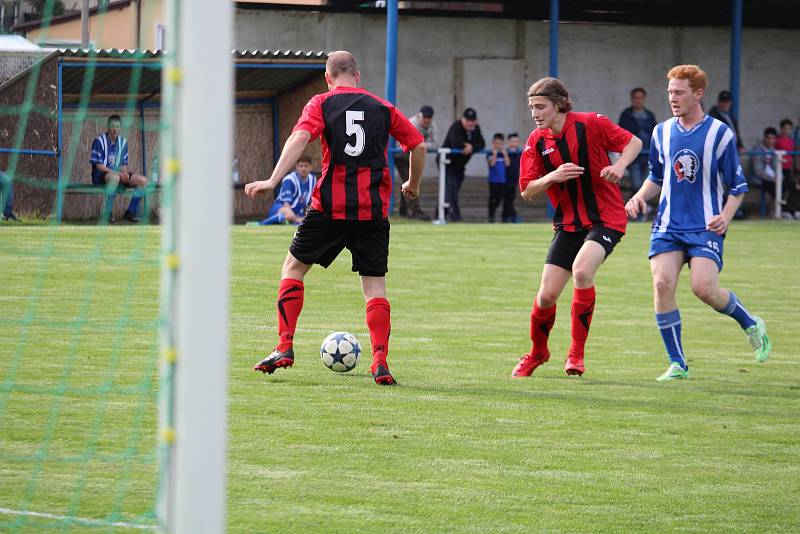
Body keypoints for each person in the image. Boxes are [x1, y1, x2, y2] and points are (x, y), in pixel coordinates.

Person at [244, 51, 426, 386]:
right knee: (374, 287)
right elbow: (418, 145)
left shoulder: (321, 103)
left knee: (294, 269)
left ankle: (284, 346)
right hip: (372, 211)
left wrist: (272, 180)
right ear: (357, 75)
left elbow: (300, 138)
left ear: (328, 78)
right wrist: (411, 185)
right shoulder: (382, 107)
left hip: (328, 208)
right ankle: (380, 362)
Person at [625, 64, 771, 382]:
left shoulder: (720, 133)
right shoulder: (661, 131)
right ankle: (678, 363)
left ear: (698, 93)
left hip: (705, 225)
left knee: (704, 289)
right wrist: (638, 197)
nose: (673, 98)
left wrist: (726, 216)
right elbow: (657, 177)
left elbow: (737, 186)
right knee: (662, 285)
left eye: (679, 92)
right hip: (667, 224)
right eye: (670, 93)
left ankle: (750, 322)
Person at [512, 77, 642, 378]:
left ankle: (576, 354)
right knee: (546, 296)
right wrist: (552, 177)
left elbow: (633, 142)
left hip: (605, 218)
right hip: (569, 223)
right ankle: (538, 352)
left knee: (583, 271)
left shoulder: (591, 123)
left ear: (559, 104)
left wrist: (620, 166)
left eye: (540, 106)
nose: (534, 113)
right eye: (531, 107)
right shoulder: (537, 141)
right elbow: (527, 191)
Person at [89, 114, 149, 223]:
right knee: (115, 178)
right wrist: (117, 174)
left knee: (143, 181)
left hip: (118, 174)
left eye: (117, 127)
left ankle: (129, 212)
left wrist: (125, 173)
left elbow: (123, 165)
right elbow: (99, 166)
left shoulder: (123, 142)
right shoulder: (99, 141)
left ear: (120, 128)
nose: (114, 130)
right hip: (100, 176)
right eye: (112, 126)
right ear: (108, 127)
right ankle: (107, 213)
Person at [441, 108, 485, 221]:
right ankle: (456, 218)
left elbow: (481, 143)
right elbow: (455, 143)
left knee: (449, 190)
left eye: (473, 120)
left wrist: (472, 147)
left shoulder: (476, 129)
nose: (470, 123)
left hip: (460, 165)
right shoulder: (455, 126)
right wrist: (469, 146)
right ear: (462, 119)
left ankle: (439, 214)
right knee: (451, 189)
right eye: (468, 120)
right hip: (446, 163)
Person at [394, 105, 436, 220]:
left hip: (415, 155)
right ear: (419, 116)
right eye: (425, 117)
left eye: (429, 117)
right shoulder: (412, 123)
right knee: (412, 182)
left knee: (407, 182)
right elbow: (407, 144)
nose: (427, 120)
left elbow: (433, 143)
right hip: (402, 156)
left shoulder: (432, 126)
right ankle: (415, 211)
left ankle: (402, 210)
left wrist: (420, 146)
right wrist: (421, 145)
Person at [618, 88, 657, 204]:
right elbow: (621, 134)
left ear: (644, 99)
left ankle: (642, 209)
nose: (638, 101)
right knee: (636, 183)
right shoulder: (626, 115)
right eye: (636, 98)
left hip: (648, 155)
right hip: (634, 155)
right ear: (632, 99)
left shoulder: (650, 115)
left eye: (640, 98)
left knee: (647, 183)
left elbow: (654, 134)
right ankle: (636, 207)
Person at [255, 155, 317, 225]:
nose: (303, 168)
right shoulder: (289, 179)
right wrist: (296, 218)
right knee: (290, 215)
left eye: (306, 166)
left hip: (297, 212)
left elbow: (310, 202)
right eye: (301, 166)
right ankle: (260, 224)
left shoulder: (313, 180)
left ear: (311, 167)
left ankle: (291, 222)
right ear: (296, 167)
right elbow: (286, 205)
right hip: (279, 208)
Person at [749, 127, 782, 203]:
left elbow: (776, 167)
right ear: (764, 138)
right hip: (760, 179)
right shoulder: (757, 150)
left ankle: (789, 208)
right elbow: (758, 171)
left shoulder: (773, 150)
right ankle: (784, 208)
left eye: (773, 138)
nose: (771, 141)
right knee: (775, 187)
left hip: (773, 178)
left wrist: (780, 177)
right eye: (769, 138)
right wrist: (774, 179)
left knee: (789, 184)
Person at [486, 133, 509, 222]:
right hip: (493, 180)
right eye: (496, 143)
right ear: (493, 143)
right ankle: (490, 216)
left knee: (499, 199)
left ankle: (494, 214)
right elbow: (492, 163)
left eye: (500, 144)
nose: (498, 145)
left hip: (502, 180)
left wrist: (505, 154)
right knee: (493, 198)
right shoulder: (490, 153)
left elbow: (508, 164)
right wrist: (495, 154)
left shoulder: (504, 153)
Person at [503, 133, 521, 222]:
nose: (514, 143)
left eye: (516, 141)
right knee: (507, 198)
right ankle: (510, 216)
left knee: (511, 198)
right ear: (508, 142)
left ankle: (509, 216)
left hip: (515, 179)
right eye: (512, 141)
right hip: (505, 179)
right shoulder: (504, 152)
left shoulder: (520, 153)